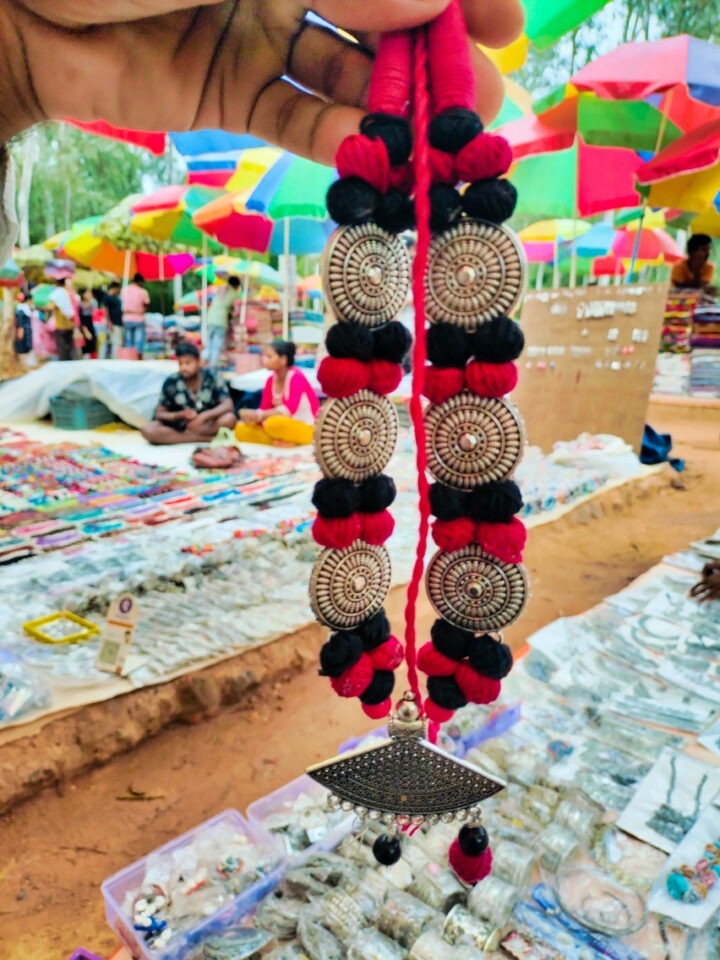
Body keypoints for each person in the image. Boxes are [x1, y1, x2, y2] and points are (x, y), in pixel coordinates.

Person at [141, 341, 236, 445]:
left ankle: (184, 438)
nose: (183, 368)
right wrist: (179, 415)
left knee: (229, 419)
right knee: (148, 430)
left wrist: (204, 416)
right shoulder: (172, 381)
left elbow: (227, 405)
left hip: (205, 424)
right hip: (180, 427)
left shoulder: (212, 377)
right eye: (180, 363)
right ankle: (200, 438)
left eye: (188, 363)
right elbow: (160, 414)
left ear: (198, 361)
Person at [234, 339, 319, 446]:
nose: (264, 360)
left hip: (304, 426)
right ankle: (282, 441)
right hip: (281, 427)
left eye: (269, 356)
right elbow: (264, 409)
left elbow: (290, 409)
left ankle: (284, 440)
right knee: (240, 429)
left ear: (283, 360)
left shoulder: (296, 376)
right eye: (264, 356)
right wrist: (253, 417)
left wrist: (258, 414)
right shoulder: (270, 380)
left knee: (273, 424)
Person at [206, 276, 241, 371]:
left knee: (208, 343)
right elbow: (235, 310)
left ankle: (204, 363)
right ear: (236, 285)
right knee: (216, 345)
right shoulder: (235, 294)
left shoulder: (220, 289)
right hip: (221, 321)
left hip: (210, 318)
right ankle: (212, 367)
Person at [121, 274, 150, 356]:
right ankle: (137, 357)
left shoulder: (124, 290)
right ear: (140, 281)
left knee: (128, 341)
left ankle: (129, 357)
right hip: (138, 318)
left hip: (126, 318)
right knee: (138, 341)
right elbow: (147, 304)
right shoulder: (143, 291)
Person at [48, 278, 76, 361]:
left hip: (60, 325)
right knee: (69, 348)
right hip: (70, 324)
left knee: (62, 349)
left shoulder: (56, 294)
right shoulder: (68, 293)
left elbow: (50, 307)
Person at [103, 281, 124, 358]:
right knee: (116, 342)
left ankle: (117, 356)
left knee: (119, 341)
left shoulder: (117, 298)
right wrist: (108, 322)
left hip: (119, 322)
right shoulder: (107, 298)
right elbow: (106, 310)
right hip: (113, 322)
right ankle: (115, 358)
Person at [78, 287, 99, 358]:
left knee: (93, 346)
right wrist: (85, 331)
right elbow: (81, 320)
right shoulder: (80, 305)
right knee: (85, 347)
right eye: (88, 293)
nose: (90, 294)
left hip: (91, 326)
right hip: (84, 327)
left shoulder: (93, 303)